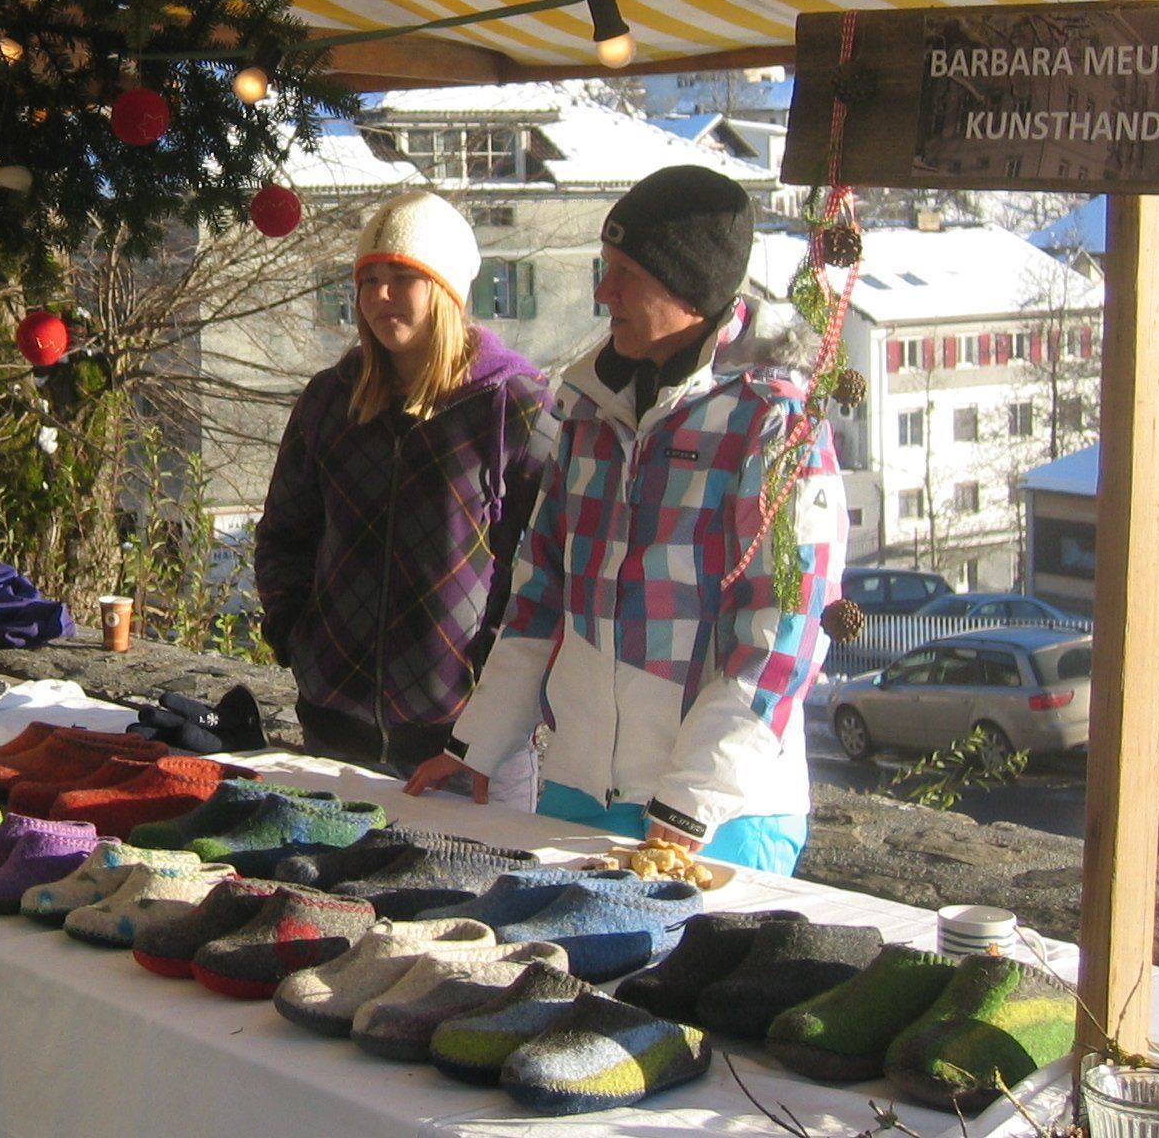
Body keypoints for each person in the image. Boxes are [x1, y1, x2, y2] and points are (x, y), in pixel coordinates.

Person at [407, 165, 846, 874]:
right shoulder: (588, 406)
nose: (602, 292)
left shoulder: (774, 422)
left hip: (723, 816)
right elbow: (540, 596)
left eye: (626, 274)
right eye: (603, 267)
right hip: (579, 790)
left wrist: (692, 800)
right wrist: (476, 747)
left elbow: (785, 632)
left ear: (688, 288)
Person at [253, 190, 550, 799]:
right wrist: (296, 640)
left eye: (403, 277)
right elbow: (285, 533)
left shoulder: (515, 409)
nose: (379, 295)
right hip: (333, 729)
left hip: (466, 747)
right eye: (368, 279)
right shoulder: (330, 400)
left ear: (446, 289)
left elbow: (542, 575)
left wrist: (491, 698)